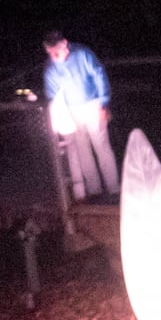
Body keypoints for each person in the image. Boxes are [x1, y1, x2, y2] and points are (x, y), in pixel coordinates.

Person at [43, 30, 118, 199]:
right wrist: (58, 117)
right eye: (50, 53)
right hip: (71, 111)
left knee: (102, 147)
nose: (53, 57)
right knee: (83, 151)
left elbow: (99, 75)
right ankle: (94, 190)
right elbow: (52, 95)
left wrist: (104, 103)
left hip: (93, 105)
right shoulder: (50, 67)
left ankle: (114, 189)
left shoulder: (83, 53)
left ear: (65, 45)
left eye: (56, 52)